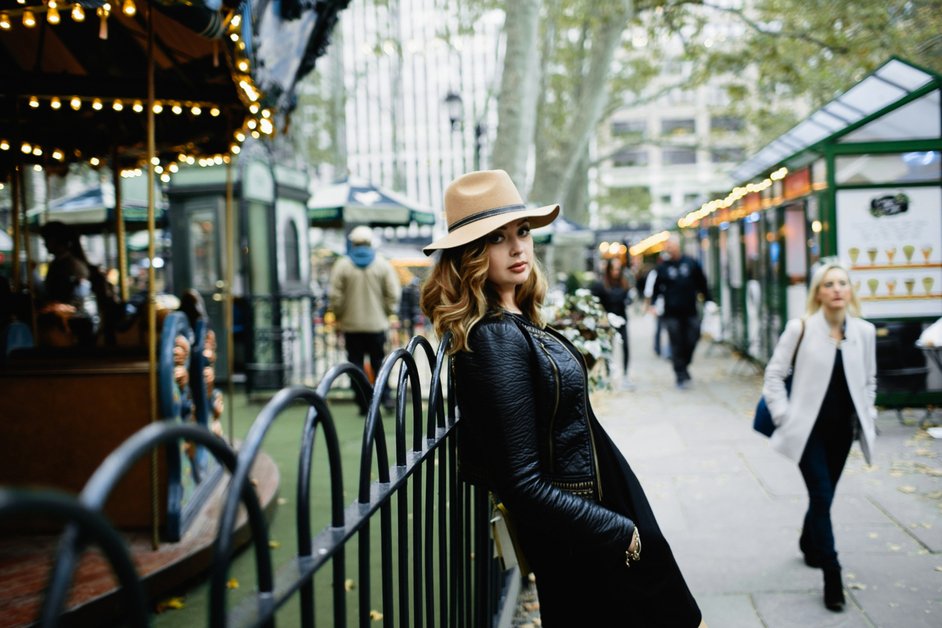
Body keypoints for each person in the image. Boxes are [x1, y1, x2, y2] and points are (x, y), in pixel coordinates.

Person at [419, 170, 703, 627]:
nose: (518, 248)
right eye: (497, 238)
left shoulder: (515, 319)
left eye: (523, 232)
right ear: (470, 254)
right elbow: (522, 482)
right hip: (584, 528)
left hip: (597, 507)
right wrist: (617, 530)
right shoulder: (494, 339)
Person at [762, 260, 876, 612]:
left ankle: (809, 542)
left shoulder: (864, 332)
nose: (837, 289)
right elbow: (774, 375)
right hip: (807, 432)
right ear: (818, 292)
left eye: (843, 283)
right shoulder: (801, 328)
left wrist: (868, 412)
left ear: (850, 290)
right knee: (822, 493)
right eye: (829, 284)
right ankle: (833, 574)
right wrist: (783, 416)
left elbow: (869, 381)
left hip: (843, 432)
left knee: (823, 498)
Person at [328, 225, 400, 413]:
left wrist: (340, 316)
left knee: (356, 366)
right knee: (379, 364)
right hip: (377, 325)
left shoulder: (342, 265)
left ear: (352, 242)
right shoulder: (382, 264)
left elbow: (335, 297)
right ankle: (385, 399)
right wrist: (385, 311)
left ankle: (363, 403)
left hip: (351, 326)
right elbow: (393, 294)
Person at [649, 235, 711, 388]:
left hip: (690, 311)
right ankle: (680, 375)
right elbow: (657, 288)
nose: (670, 249)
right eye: (667, 247)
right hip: (671, 313)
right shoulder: (663, 267)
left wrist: (709, 300)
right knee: (676, 343)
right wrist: (653, 304)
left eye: (672, 246)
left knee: (693, 337)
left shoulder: (690, 263)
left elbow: (702, 283)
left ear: (678, 246)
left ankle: (684, 364)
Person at [590, 257, 633, 389]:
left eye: (618, 269)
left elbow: (627, 299)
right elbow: (594, 301)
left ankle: (625, 375)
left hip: (622, 320)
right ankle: (608, 376)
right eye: (614, 269)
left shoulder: (624, 283)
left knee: (625, 347)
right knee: (609, 348)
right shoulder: (601, 285)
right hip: (607, 322)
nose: (616, 271)